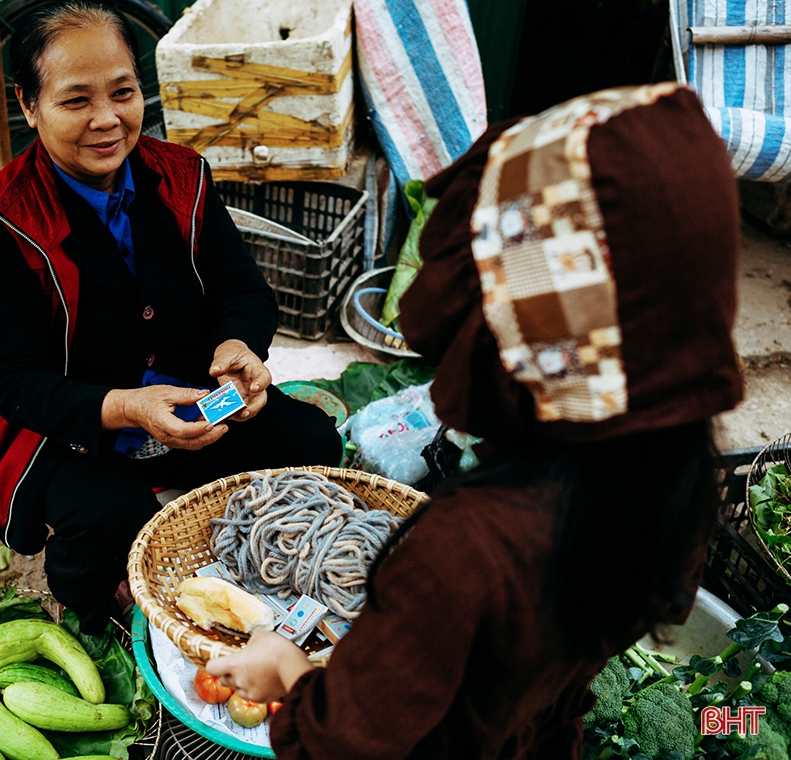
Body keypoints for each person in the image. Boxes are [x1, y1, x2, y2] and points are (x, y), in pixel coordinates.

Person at [206, 82, 744, 758]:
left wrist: (286, 670)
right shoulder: (671, 492)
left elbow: (337, 745)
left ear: (509, 327)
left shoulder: (465, 552)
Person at [0, 0, 343, 635]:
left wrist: (238, 348)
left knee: (312, 444)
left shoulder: (182, 175)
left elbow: (239, 287)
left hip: (193, 397)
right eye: (75, 100)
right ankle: (98, 617)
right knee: (111, 522)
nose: (106, 120)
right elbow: (12, 379)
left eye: (123, 92)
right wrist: (127, 408)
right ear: (29, 105)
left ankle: (251, 571)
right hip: (75, 425)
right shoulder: (0, 220)